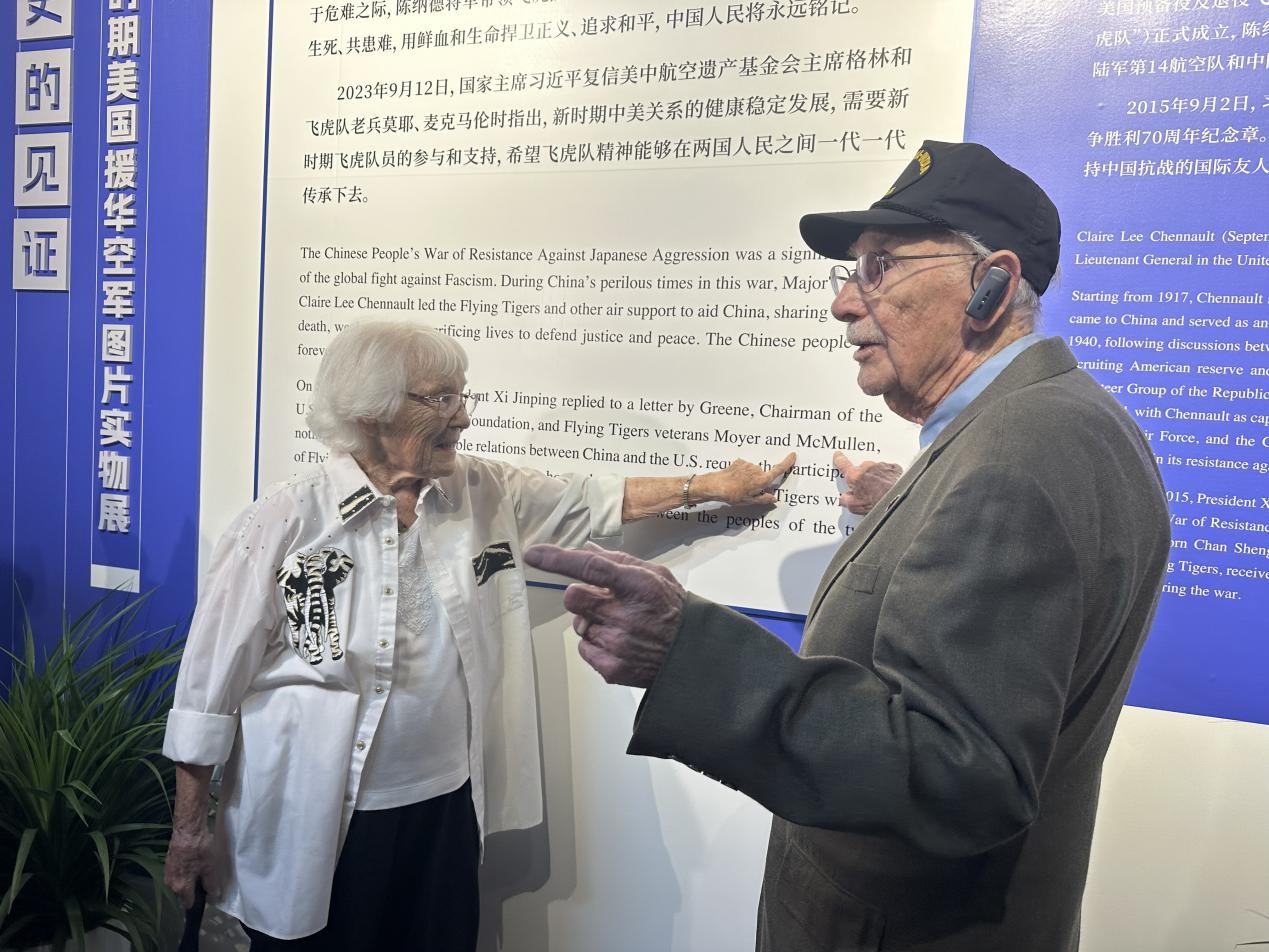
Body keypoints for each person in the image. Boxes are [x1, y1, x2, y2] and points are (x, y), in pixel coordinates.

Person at [525, 140, 1171, 952]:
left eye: (878, 267)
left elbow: (957, 775)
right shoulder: (1056, 419)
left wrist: (685, 652)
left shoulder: (1013, 458)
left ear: (992, 283)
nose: (841, 302)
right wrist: (908, 511)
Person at [161, 320, 797, 950]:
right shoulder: (285, 520)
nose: (462, 417)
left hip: (445, 802)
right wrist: (189, 829)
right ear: (371, 413)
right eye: (440, 399)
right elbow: (207, 688)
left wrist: (710, 488)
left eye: (461, 396)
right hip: (312, 810)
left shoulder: (481, 489)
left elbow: (592, 499)